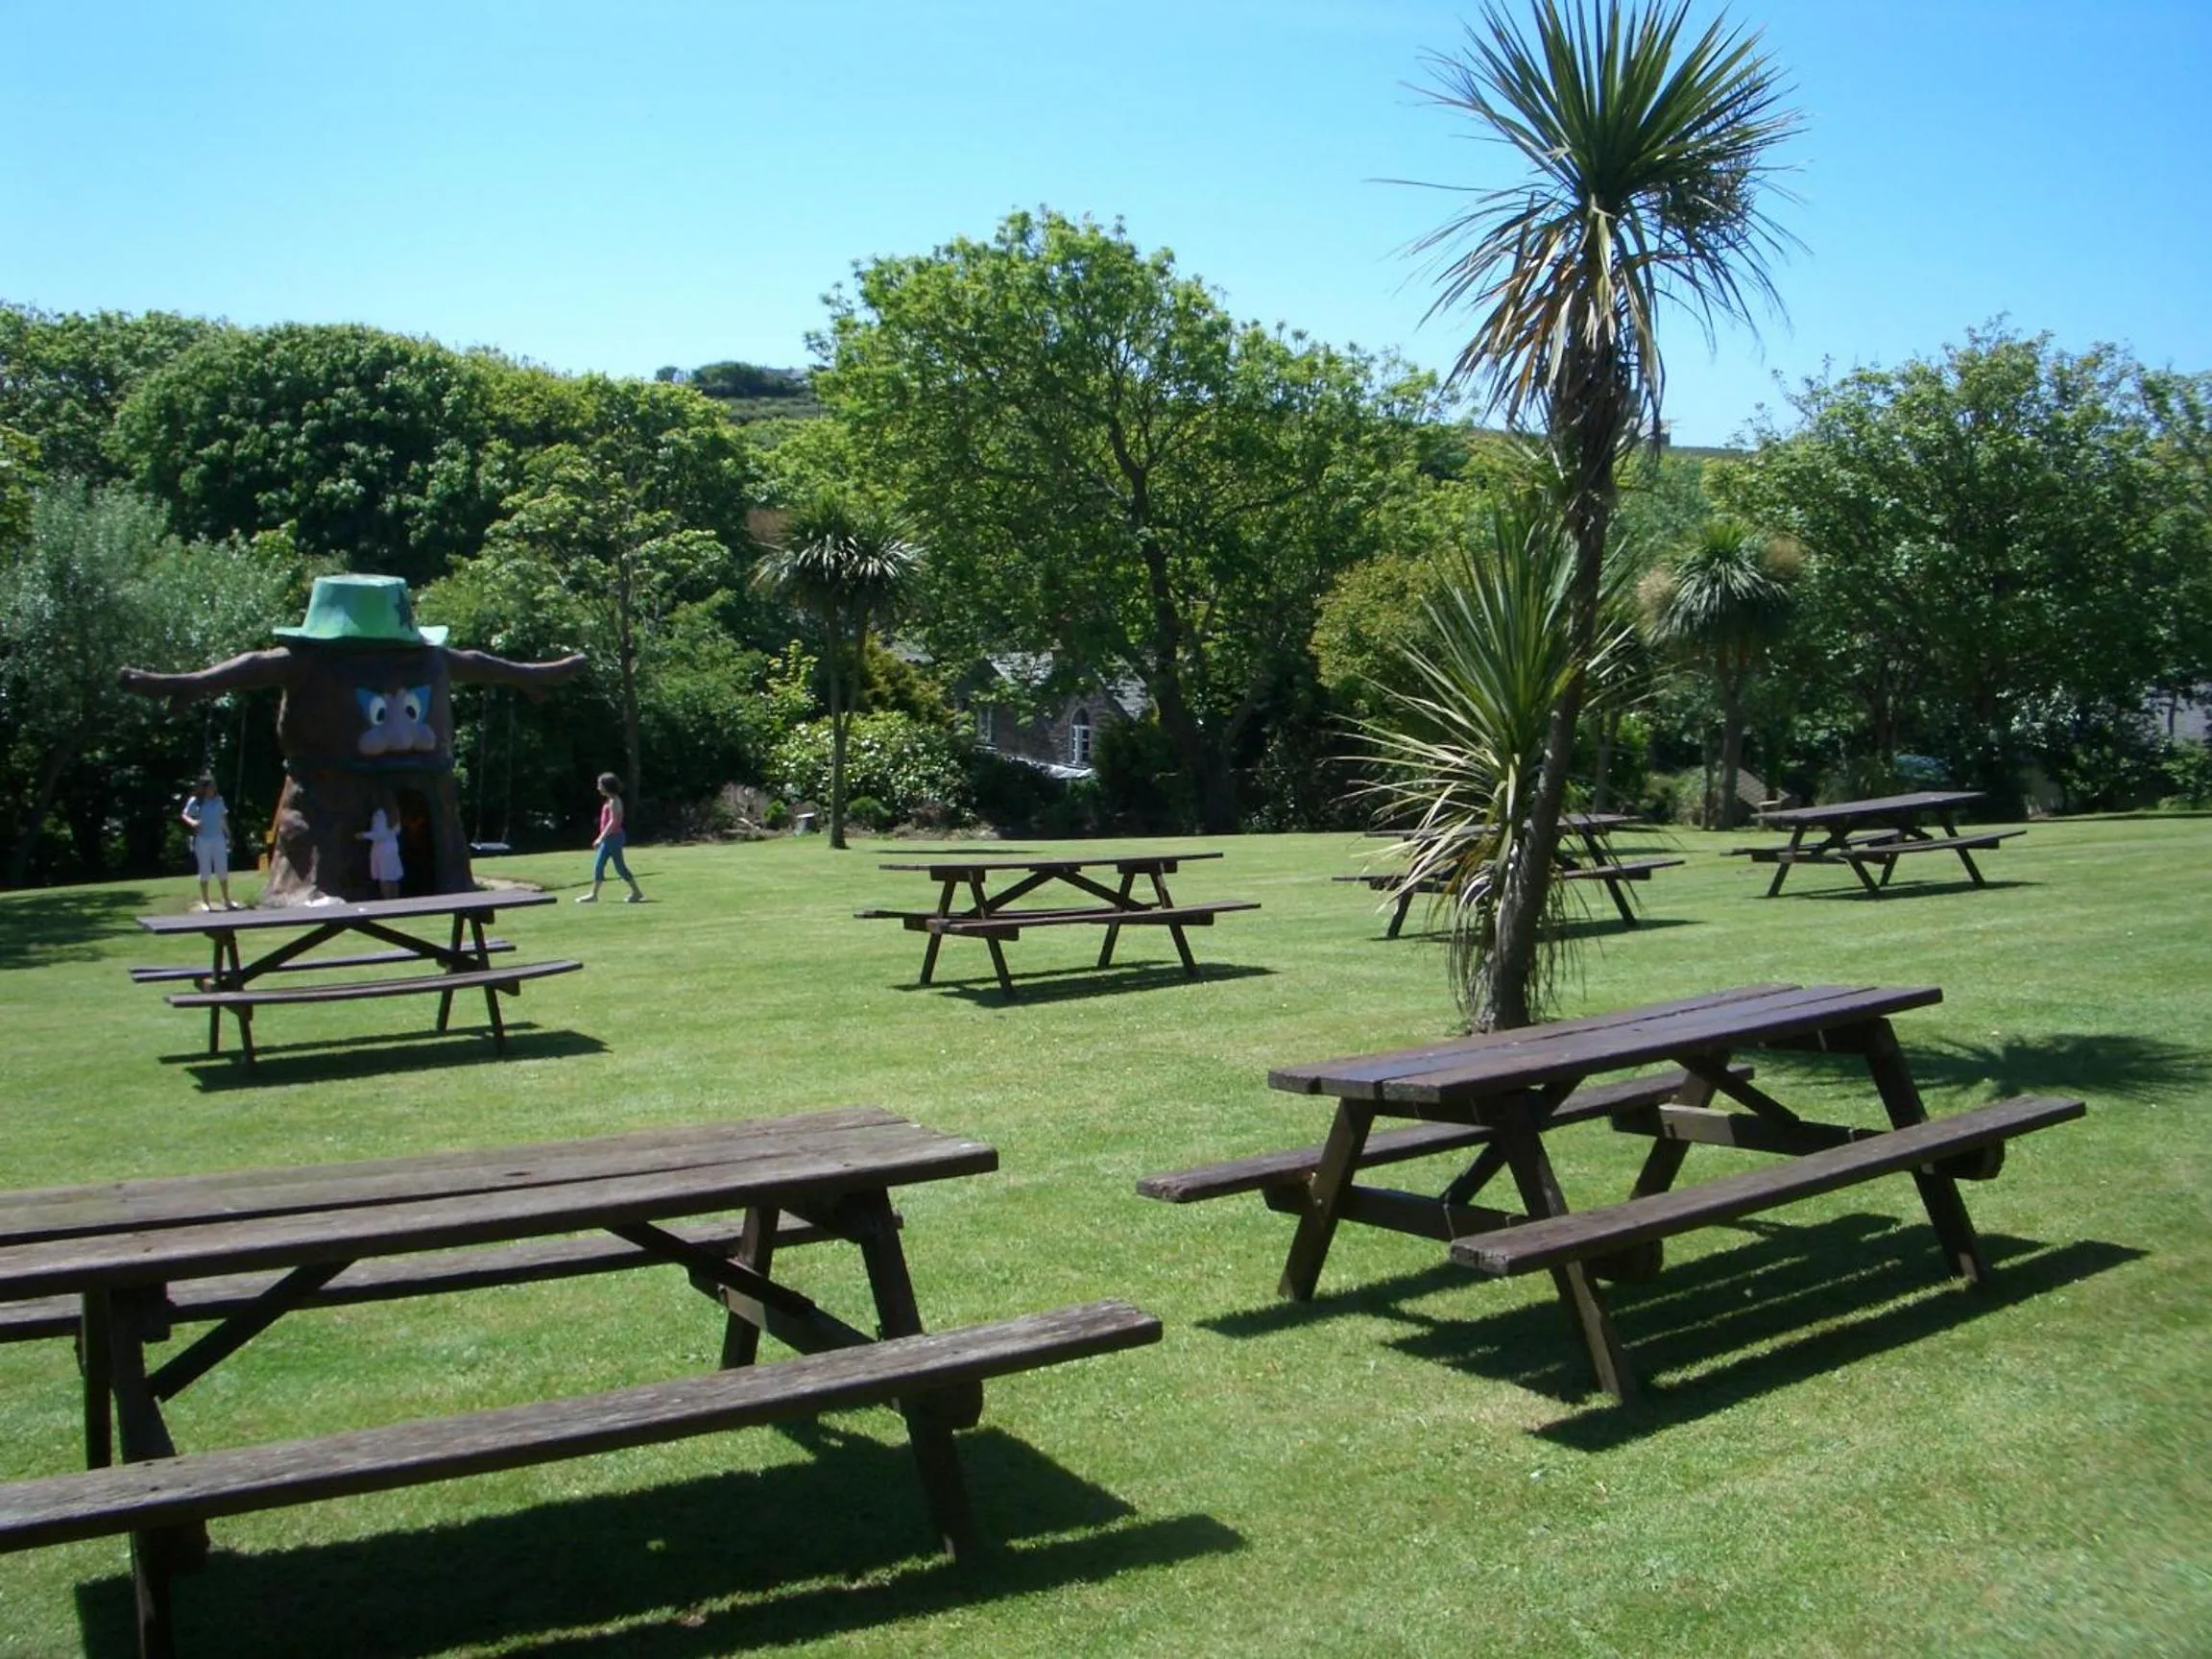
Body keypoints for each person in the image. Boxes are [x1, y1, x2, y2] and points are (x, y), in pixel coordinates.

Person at [577, 772, 645, 903]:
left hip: (613, 838)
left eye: (600, 785)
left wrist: (600, 838)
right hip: (610, 838)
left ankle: (636, 892)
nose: (598, 788)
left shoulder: (614, 801)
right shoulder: (611, 800)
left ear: (607, 786)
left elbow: (613, 822)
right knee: (600, 865)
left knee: (618, 867)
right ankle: (594, 895)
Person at [180, 775, 236, 911]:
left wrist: (229, 835)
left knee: (222, 869)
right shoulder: (196, 801)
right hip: (202, 840)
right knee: (205, 871)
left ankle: (227, 900)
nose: (214, 789)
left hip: (218, 838)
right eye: (211, 786)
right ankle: (206, 902)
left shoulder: (219, 800)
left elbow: (223, 819)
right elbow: (184, 815)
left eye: (214, 786)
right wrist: (193, 822)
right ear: (204, 788)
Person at [358, 807, 403, 900]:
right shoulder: (393, 813)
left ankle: (388, 901)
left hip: (383, 849)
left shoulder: (379, 813)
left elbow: (380, 834)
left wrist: (363, 835)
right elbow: (397, 830)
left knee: (385, 878)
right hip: (392, 846)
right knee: (393, 876)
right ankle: (395, 901)